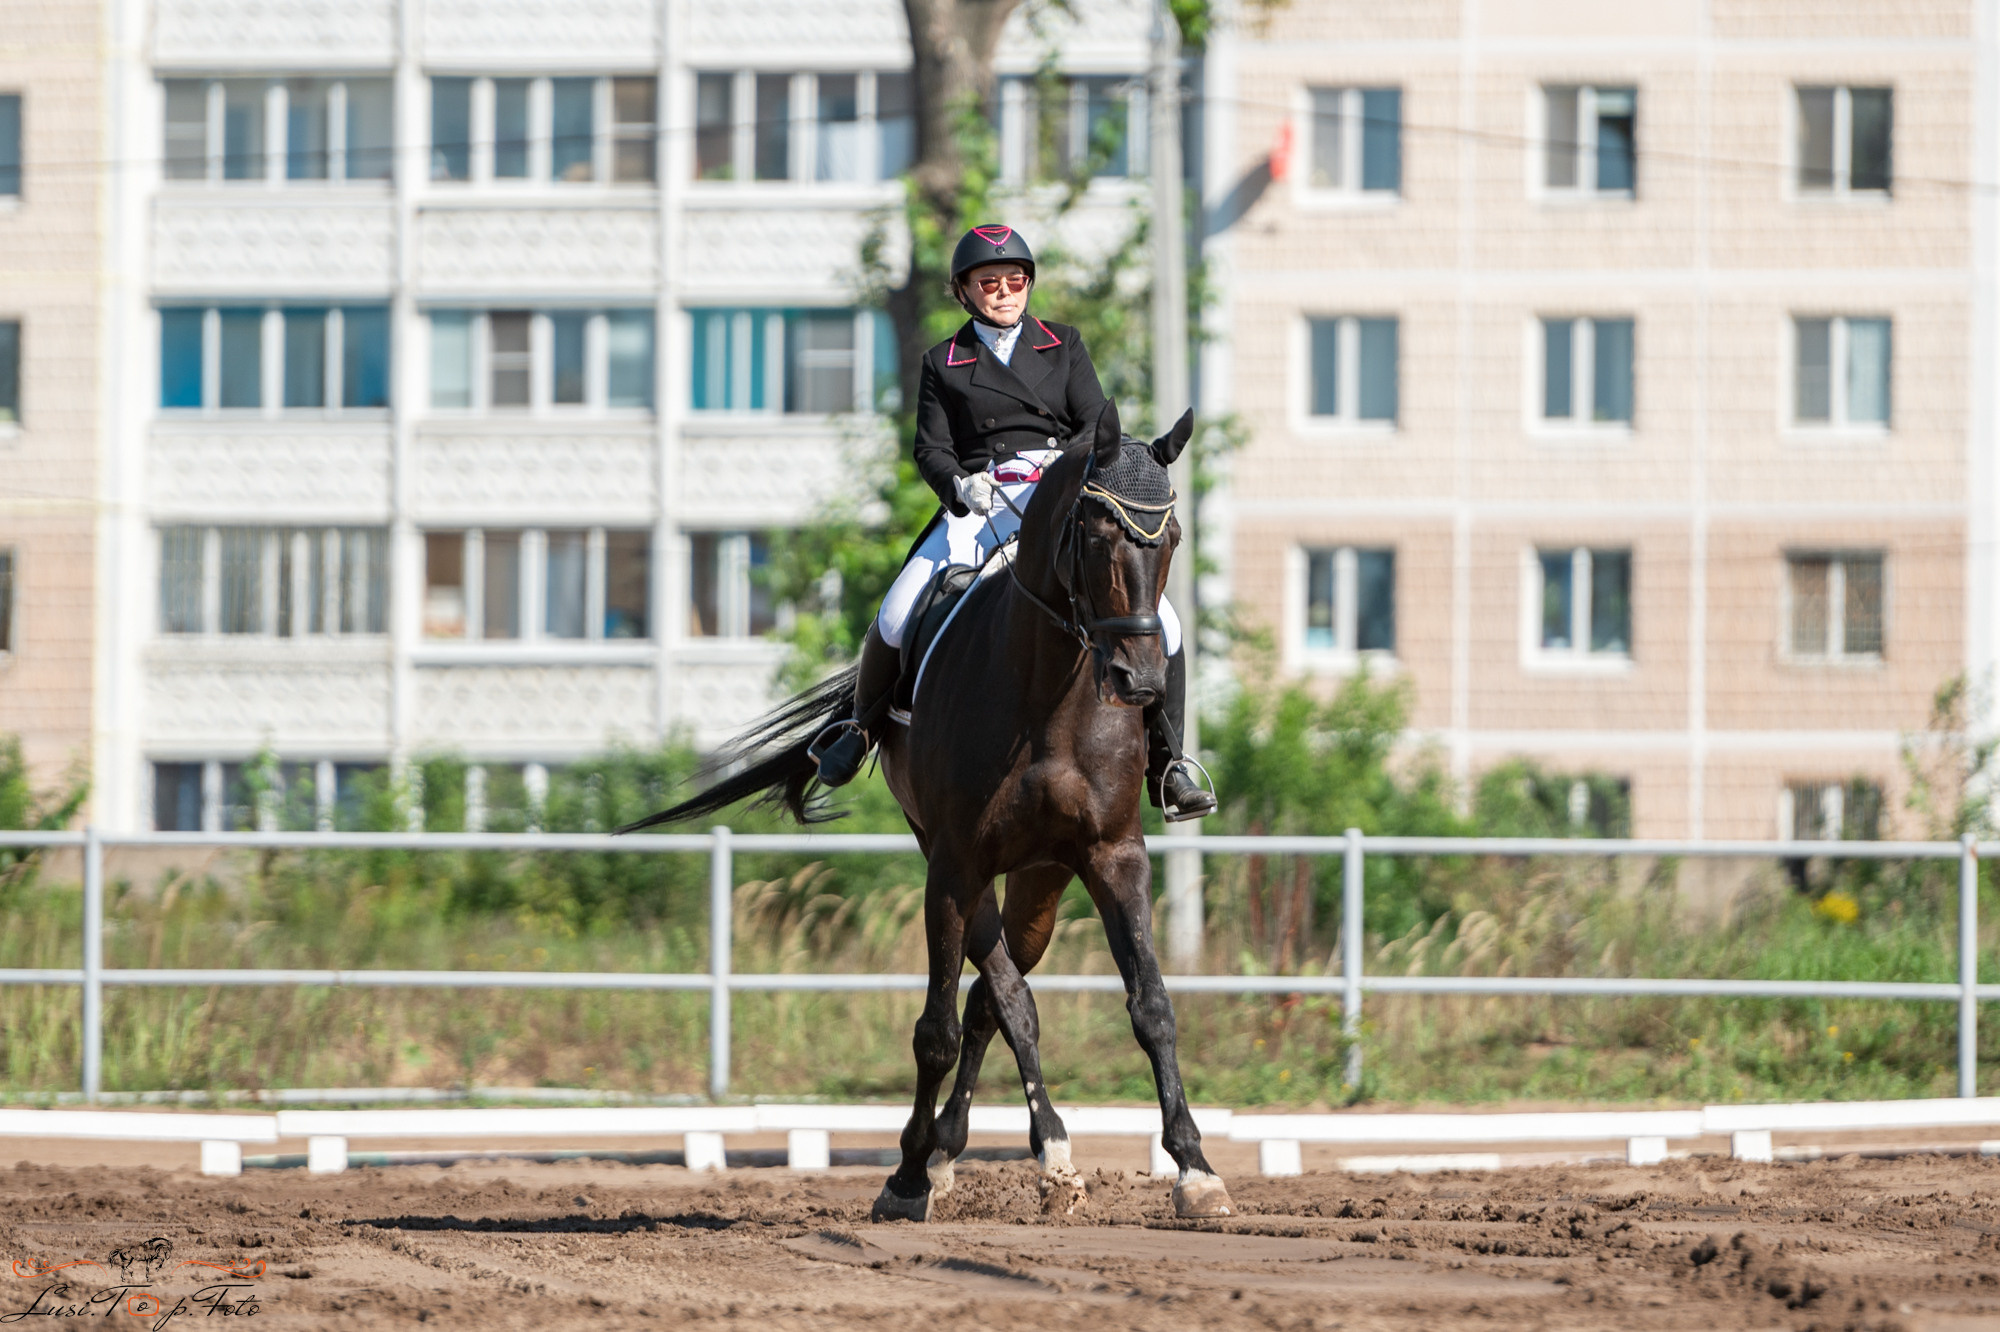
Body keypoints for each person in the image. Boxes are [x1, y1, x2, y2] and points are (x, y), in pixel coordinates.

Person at [808, 224, 1216, 821]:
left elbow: (1092, 426)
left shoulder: (1063, 344)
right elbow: (930, 449)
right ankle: (860, 727)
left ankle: (1169, 762)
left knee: (1167, 626)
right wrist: (959, 485)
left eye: (1015, 281)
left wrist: (1067, 475)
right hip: (984, 500)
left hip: (1058, 498)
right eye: (990, 282)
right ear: (965, 291)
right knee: (897, 612)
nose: (1004, 292)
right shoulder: (943, 362)